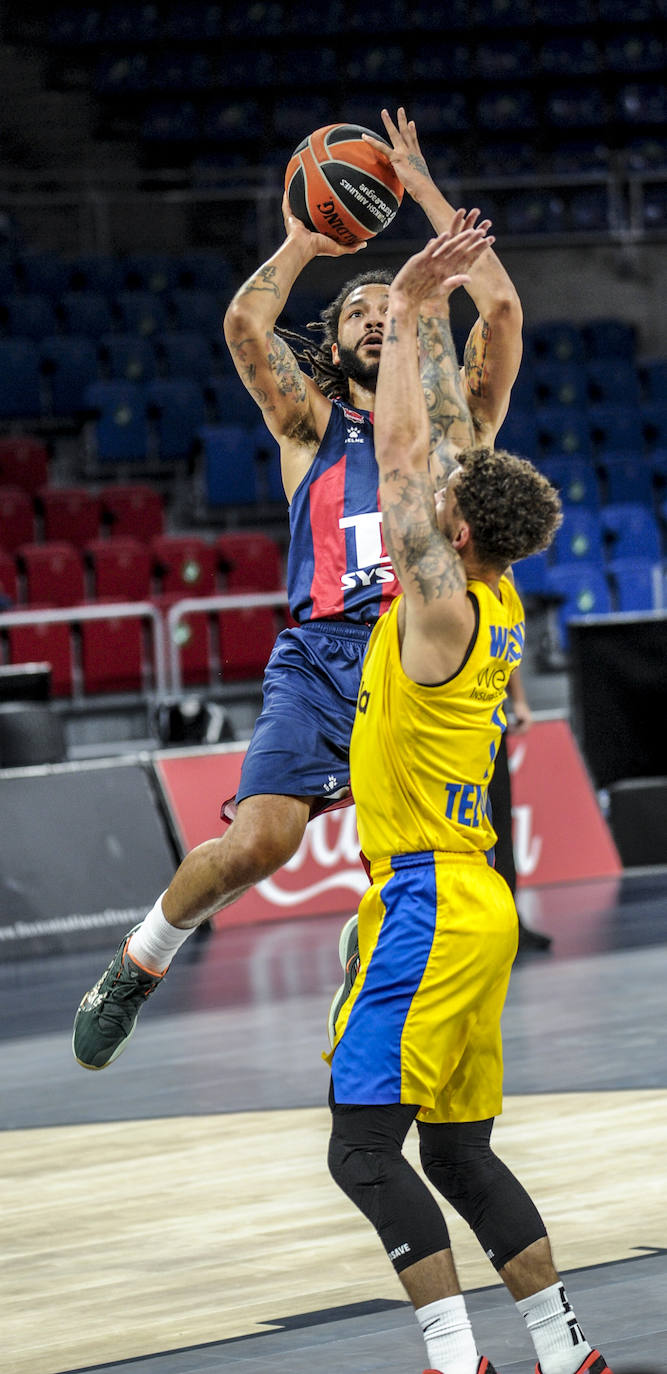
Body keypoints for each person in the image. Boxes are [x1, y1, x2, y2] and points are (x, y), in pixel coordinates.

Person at [71, 109, 523, 1073]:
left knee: (423, 862)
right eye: (354, 310)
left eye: (384, 307)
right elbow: (243, 324)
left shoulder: (461, 421)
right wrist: (300, 239)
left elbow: (503, 312)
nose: (370, 316)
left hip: (423, 653)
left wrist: (429, 204)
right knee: (258, 845)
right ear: (337, 340)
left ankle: (392, 997)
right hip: (323, 654)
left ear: (414, 325)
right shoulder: (308, 426)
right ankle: (139, 961)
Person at [326, 219, 611, 1374]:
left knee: (363, 1153)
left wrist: (403, 301)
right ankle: (563, 1343)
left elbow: (401, 458)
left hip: (425, 904)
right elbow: (437, 453)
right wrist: (432, 315)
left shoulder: (438, 609)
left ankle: (456, 1362)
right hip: (473, 900)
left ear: (452, 530)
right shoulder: (496, 605)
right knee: (455, 1152)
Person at [488, 666, 553, 952]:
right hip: (452, 730)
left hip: (491, 726)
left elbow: (506, 651)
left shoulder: (502, 620)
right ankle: (480, 928)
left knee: (501, 824)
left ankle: (509, 921)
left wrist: (519, 700)